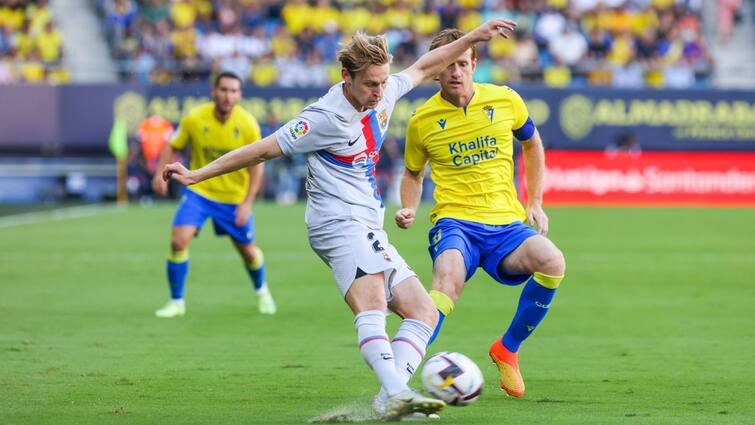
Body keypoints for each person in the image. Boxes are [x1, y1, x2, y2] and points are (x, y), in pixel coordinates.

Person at [162, 19, 517, 420]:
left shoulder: (383, 94)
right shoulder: (322, 118)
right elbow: (261, 150)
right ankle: (399, 392)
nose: (379, 92)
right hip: (336, 223)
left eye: (383, 83)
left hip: (367, 224)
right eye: (370, 84)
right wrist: (195, 175)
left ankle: (390, 397)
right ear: (346, 77)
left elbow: (422, 67)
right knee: (371, 303)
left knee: (423, 310)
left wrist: (472, 38)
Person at [396, 29, 566, 398]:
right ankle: (398, 380)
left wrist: (534, 200)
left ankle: (508, 349)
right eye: (447, 65)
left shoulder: (505, 100)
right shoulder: (422, 121)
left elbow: (532, 144)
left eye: (462, 63)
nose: (455, 72)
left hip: (506, 224)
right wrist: (408, 206)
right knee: (446, 283)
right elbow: (412, 173)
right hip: (455, 221)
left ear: (474, 64)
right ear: (435, 71)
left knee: (553, 262)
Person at [151, 71, 276, 318]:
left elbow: (257, 166)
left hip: (233, 198)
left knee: (248, 252)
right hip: (200, 192)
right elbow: (172, 145)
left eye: (233, 91)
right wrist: (158, 175)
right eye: (223, 90)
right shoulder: (194, 119)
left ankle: (262, 291)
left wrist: (247, 203)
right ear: (214, 92)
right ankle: (176, 302)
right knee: (178, 241)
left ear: (239, 95)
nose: (228, 96)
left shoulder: (248, 124)